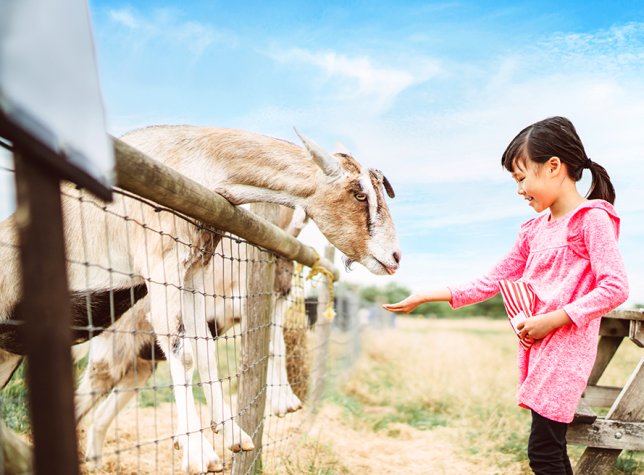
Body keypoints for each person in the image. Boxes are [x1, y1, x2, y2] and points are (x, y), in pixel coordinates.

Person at [383, 116, 629, 475]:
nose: (519, 190)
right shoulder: (533, 231)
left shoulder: (590, 220)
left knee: (543, 452)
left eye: (521, 177)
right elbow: (493, 280)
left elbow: (615, 287)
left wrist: (554, 319)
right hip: (538, 350)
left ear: (554, 167)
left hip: (566, 351)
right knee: (551, 448)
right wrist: (429, 294)